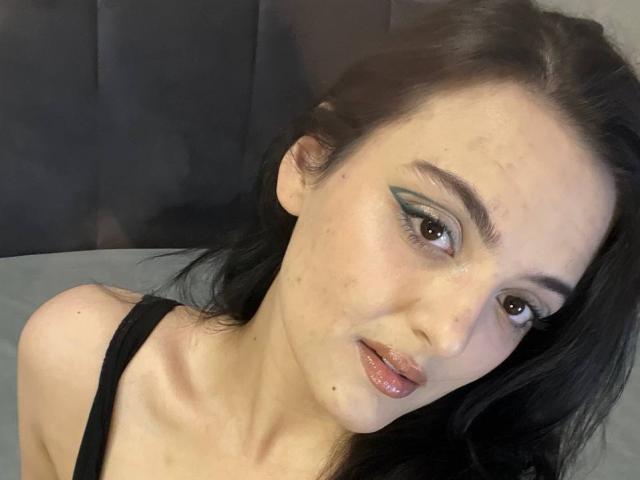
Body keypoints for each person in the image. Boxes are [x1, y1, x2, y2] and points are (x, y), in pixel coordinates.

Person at [17, 0, 640, 478]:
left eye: (517, 305)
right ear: (307, 163)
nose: (451, 337)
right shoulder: (79, 358)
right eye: (432, 228)